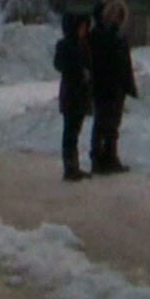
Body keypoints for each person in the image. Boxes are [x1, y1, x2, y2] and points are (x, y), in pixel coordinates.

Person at [88, 0, 137, 175]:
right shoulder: (100, 34)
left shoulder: (119, 36)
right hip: (103, 86)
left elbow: (125, 63)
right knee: (102, 123)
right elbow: (96, 62)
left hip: (116, 87)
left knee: (112, 125)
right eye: (116, 14)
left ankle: (110, 157)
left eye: (121, 15)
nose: (118, 18)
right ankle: (98, 159)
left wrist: (128, 85)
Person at [54, 11, 94, 182]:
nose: (85, 30)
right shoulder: (66, 45)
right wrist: (78, 71)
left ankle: (74, 165)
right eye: (82, 27)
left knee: (74, 132)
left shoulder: (83, 45)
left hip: (80, 95)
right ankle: (69, 167)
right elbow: (60, 65)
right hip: (71, 95)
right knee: (70, 133)